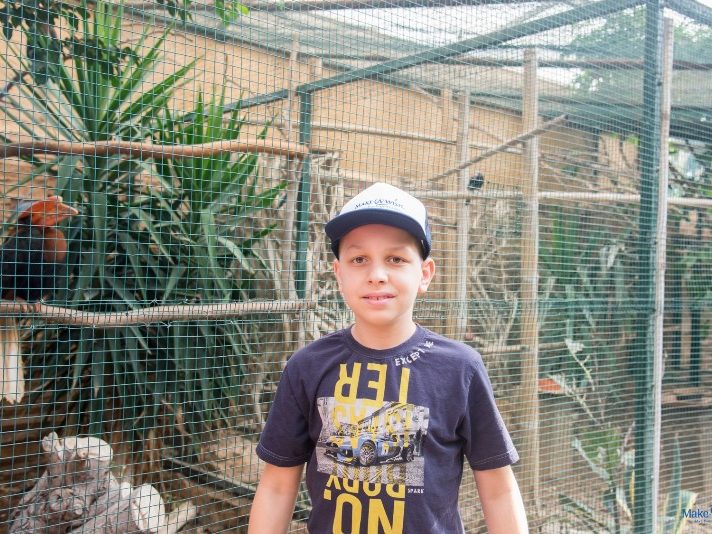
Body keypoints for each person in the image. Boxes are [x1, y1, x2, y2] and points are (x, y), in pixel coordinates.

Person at [248, 182, 528, 533]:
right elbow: (277, 486)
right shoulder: (306, 367)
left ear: (424, 274)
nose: (377, 275)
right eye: (359, 259)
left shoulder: (460, 368)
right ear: (339, 274)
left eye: (396, 259)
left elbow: (499, 490)